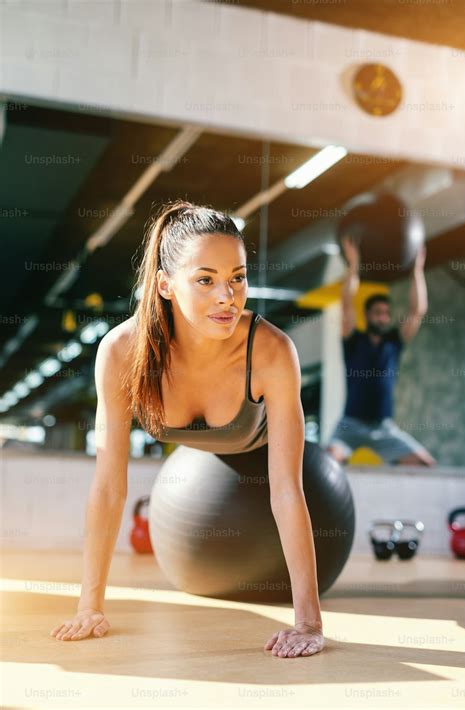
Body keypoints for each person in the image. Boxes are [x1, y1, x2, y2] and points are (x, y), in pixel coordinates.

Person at [50, 200, 325, 658]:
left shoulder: (272, 350)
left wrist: (309, 623)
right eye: (205, 280)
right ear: (165, 285)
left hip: (285, 470)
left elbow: (285, 489)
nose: (228, 296)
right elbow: (109, 487)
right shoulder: (121, 351)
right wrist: (88, 606)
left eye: (237, 277)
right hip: (204, 480)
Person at [326, 235, 436, 467]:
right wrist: (354, 264)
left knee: (425, 464)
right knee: (327, 462)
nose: (383, 317)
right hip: (350, 424)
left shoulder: (393, 342)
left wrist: (416, 269)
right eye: (378, 312)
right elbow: (346, 302)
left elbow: (418, 309)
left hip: (384, 427)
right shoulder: (353, 340)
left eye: (386, 313)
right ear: (367, 316)